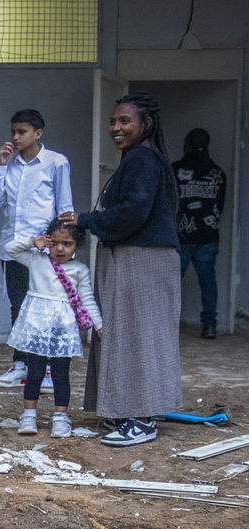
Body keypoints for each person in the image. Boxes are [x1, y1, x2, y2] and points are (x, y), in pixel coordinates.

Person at [60, 92, 181, 447]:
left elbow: (133, 212)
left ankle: (142, 419)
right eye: (113, 121)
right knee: (126, 334)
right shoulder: (139, 159)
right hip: (133, 257)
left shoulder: (143, 159)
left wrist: (87, 219)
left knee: (140, 336)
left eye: (124, 121)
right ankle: (126, 408)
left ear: (146, 124)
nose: (115, 127)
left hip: (144, 259)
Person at [0, 108, 74, 391]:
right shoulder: (9, 163)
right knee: (19, 305)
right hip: (13, 248)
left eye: (22, 132)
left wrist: (61, 246)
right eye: (13, 131)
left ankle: (47, 368)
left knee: (45, 306)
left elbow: (64, 208)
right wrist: (1, 165)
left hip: (43, 249)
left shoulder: (56, 163)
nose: (16, 137)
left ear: (38, 133)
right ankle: (22, 364)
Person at [4, 221, 102, 438]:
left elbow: (87, 299)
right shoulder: (36, 259)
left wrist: (99, 324)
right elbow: (9, 249)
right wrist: (32, 241)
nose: (60, 249)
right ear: (47, 241)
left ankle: (61, 417)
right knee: (35, 372)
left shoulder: (79, 270)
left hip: (62, 329)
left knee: (60, 374)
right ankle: (29, 414)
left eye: (67, 244)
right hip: (36, 326)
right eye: (54, 243)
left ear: (77, 245)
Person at [172, 128, 227, 339]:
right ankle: (209, 325)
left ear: (186, 144)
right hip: (208, 234)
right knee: (208, 282)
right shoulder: (218, 173)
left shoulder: (175, 170)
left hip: (181, 234)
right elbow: (219, 206)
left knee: (172, 283)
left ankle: (167, 324)